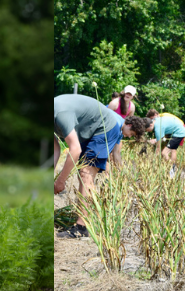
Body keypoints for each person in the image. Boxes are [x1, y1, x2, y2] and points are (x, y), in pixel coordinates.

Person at [54, 94, 152, 238]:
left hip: (104, 128)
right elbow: (56, 149)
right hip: (96, 127)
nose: (128, 137)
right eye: (131, 134)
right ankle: (84, 220)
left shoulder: (60, 113)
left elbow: (75, 150)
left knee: (86, 173)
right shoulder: (57, 112)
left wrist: (60, 181)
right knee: (84, 174)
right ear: (130, 125)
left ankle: (82, 227)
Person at [145, 109, 185, 176]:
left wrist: (153, 162)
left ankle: (172, 170)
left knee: (164, 152)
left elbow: (158, 149)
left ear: (150, 125)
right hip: (176, 128)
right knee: (172, 149)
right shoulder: (155, 121)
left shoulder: (157, 128)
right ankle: (171, 168)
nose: (148, 131)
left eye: (147, 130)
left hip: (179, 132)